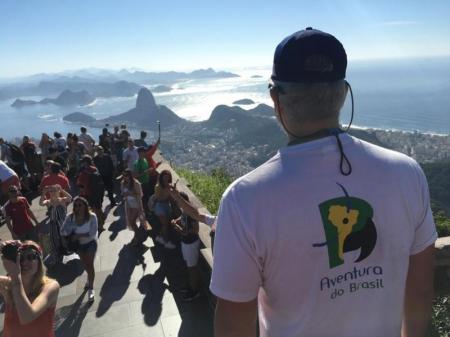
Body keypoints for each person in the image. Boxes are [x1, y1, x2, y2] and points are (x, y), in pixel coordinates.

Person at [211, 28, 437, 337]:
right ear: (344, 93)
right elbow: (421, 288)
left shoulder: (244, 200)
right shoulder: (407, 174)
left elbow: (233, 324)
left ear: (275, 98)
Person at [0, 240, 60, 337]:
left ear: (39, 261)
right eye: (20, 258)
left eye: (31, 257)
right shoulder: (9, 285)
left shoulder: (50, 286)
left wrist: (15, 278)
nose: (24, 262)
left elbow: (27, 317)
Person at [60, 197, 98, 302]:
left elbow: (92, 233)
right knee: (85, 265)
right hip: (78, 246)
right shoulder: (70, 217)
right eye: (75, 205)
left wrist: (78, 235)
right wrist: (69, 231)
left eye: (80, 205)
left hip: (91, 244)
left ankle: (91, 289)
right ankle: (89, 280)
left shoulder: (92, 217)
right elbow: (63, 231)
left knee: (90, 266)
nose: (77, 207)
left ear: (85, 206)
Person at [171, 192, 201, 301]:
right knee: (189, 266)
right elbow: (182, 216)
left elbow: (196, 230)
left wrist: (183, 231)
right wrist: (177, 220)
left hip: (191, 243)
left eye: (178, 201)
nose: (177, 203)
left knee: (192, 268)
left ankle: (194, 291)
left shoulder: (192, 211)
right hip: (185, 242)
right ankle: (190, 286)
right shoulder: (185, 209)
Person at [39, 184, 72, 267]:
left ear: (58, 191)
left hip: (63, 224)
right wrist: (43, 193)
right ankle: (58, 253)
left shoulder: (62, 200)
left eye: (55, 190)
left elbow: (70, 198)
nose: (53, 193)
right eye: (51, 191)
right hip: (53, 225)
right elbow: (41, 203)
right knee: (55, 239)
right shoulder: (48, 202)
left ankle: (68, 250)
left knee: (66, 238)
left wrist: (62, 190)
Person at [76, 155, 105, 231]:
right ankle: (101, 225)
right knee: (98, 209)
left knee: (90, 209)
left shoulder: (83, 171)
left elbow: (80, 184)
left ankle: (94, 225)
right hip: (97, 192)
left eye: (83, 161)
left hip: (87, 193)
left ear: (85, 162)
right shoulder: (95, 169)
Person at [151, 170, 177, 249]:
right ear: (161, 177)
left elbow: (171, 198)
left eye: (168, 177)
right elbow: (159, 199)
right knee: (165, 225)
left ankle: (159, 237)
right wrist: (168, 190)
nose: (166, 179)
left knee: (165, 224)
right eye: (164, 177)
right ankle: (166, 242)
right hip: (160, 206)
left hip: (166, 205)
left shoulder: (168, 186)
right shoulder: (158, 186)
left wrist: (173, 190)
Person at [120, 169, 144, 245]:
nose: (124, 177)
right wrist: (124, 194)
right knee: (131, 221)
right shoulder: (123, 183)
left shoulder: (136, 183)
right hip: (128, 204)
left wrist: (130, 194)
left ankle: (138, 237)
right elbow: (122, 193)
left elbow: (140, 195)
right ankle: (137, 235)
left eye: (126, 175)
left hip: (136, 204)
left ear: (130, 175)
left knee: (132, 222)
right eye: (123, 175)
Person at [134, 147, 152, 212]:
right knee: (143, 199)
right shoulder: (137, 163)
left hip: (146, 181)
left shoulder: (144, 160)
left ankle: (148, 210)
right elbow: (135, 175)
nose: (145, 153)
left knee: (147, 197)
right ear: (139, 153)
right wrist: (145, 172)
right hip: (141, 183)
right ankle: (145, 212)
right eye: (144, 152)